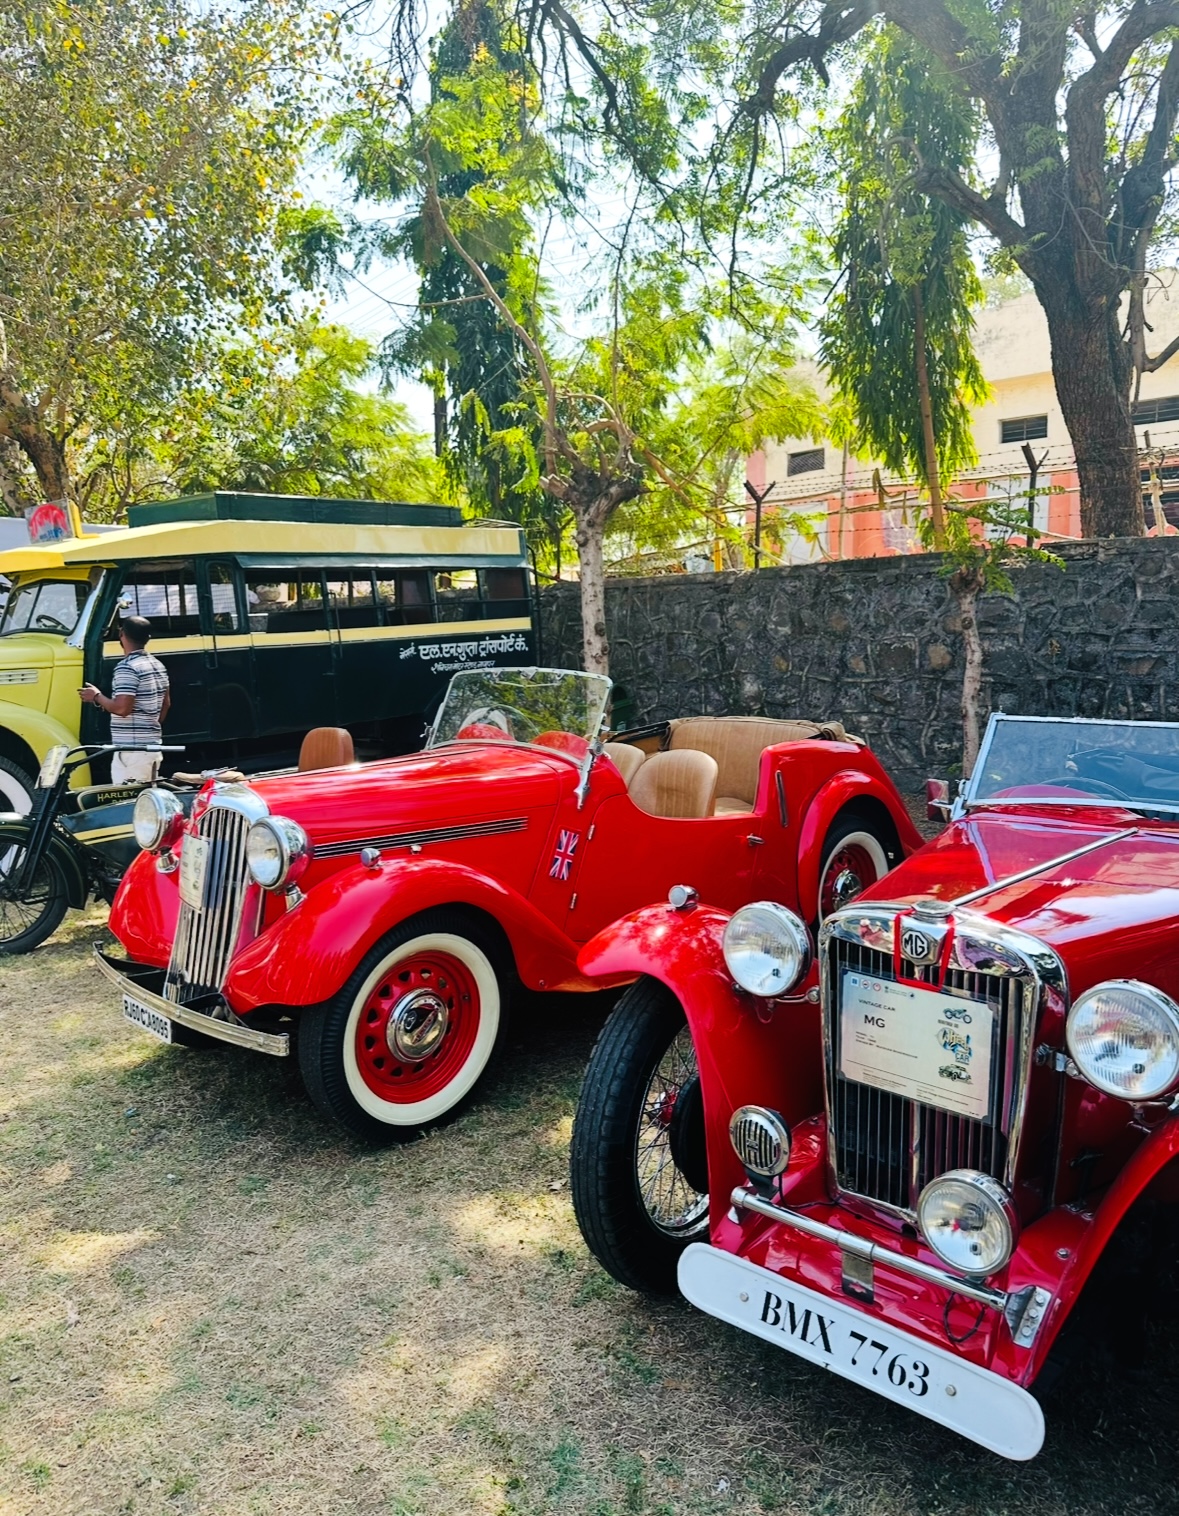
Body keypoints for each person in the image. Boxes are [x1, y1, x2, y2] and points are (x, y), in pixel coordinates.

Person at [80, 616, 171, 784]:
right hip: (151, 746)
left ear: (121, 634)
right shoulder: (157, 665)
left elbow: (123, 709)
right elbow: (165, 704)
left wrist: (96, 696)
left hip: (132, 751)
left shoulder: (127, 667)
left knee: (127, 801)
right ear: (147, 638)